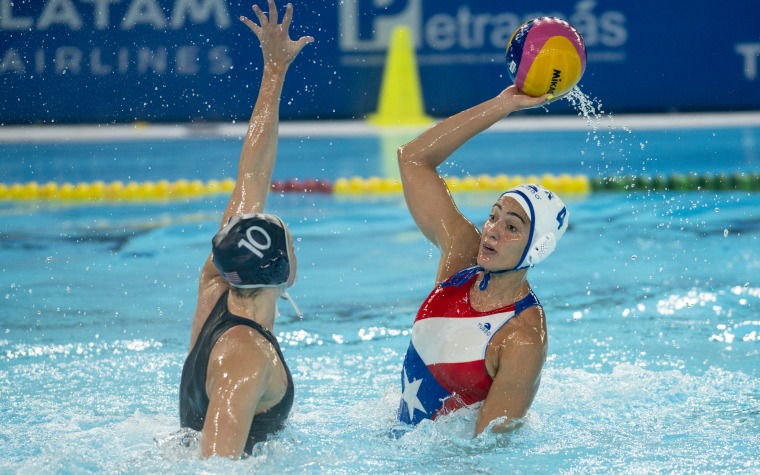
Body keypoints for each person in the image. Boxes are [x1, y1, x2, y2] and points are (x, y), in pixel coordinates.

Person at [179, 0, 312, 459]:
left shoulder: (216, 283)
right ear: (284, 272)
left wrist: (274, 72)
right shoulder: (246, 357)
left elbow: (251, 178)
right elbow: (216, 467)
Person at [396, 86, 569, 435]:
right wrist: (503, 104)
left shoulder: (521, 338)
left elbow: (488, 449)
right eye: (493, 216)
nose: (491, 231)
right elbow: (412, 159)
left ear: (538, 248)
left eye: (511, 227)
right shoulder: (462, 259)